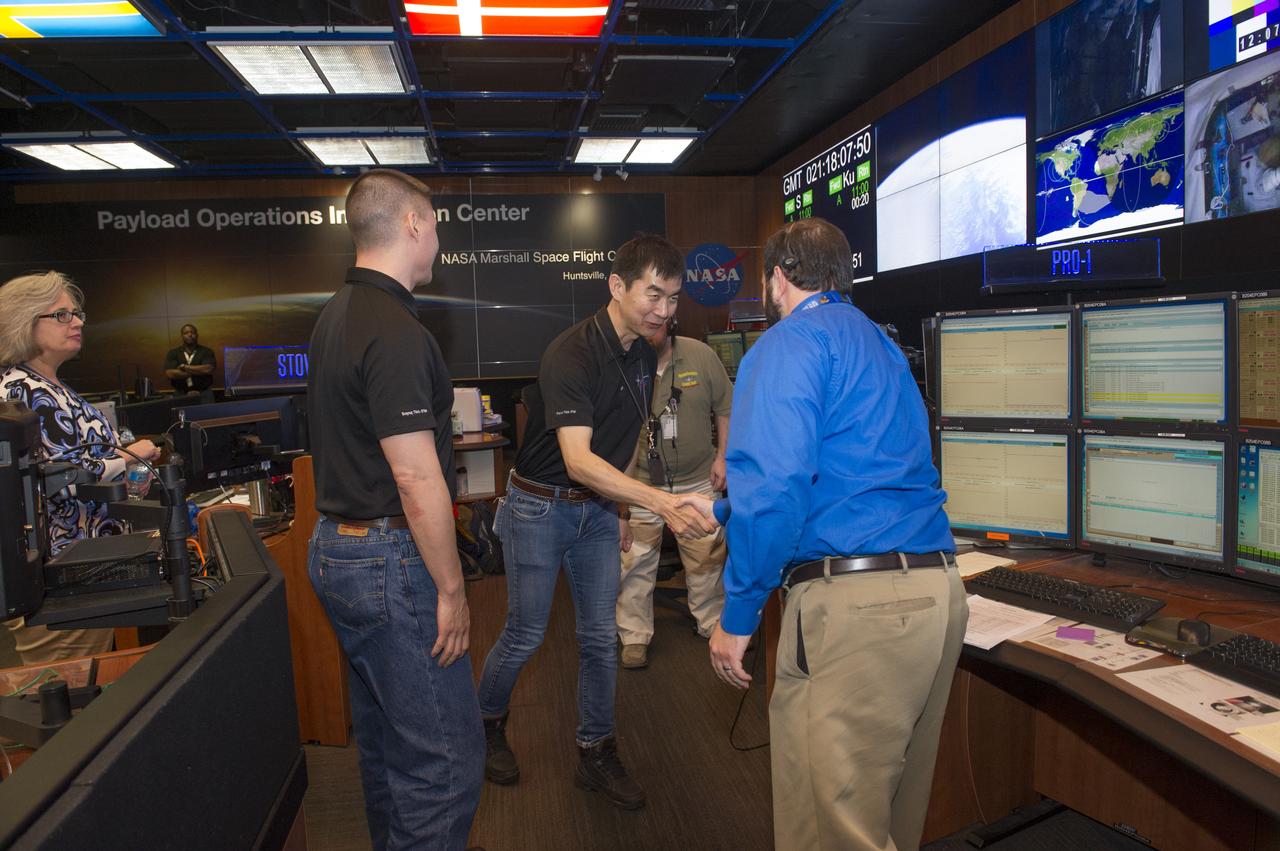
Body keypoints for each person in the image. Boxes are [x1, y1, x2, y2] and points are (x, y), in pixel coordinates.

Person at [705, 218, 968, 851]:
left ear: (777, 278)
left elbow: (774, 489)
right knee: (887, 819)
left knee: (830, 831)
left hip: (856, 610)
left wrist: (738, 614)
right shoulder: (882, 345)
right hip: (936, 596)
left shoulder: (787, 343)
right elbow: (857, 472)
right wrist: (718, 513)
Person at [476, 234, 716, 810]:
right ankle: (482, 724)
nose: (665, 310)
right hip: (538, 507)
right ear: (616, 287)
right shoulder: (571, 353)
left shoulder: (643, 353)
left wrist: (621, 505)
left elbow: (625, 438)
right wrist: (655, 503)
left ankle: (595, 750)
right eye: (653, 295)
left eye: (674, 298)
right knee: (527, 632)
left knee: (598, 640)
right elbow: (579, 459)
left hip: (596, 512)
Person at [306, 169, 482, 851]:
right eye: (435, 223)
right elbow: (415, 476)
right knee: (443, 766)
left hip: (335, 549)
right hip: (387, 561)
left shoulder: (335, 316)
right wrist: (452, 588)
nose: (438, 238)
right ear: (411, 223)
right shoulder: (396, 329)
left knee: (385, 747)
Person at [0, 271, 159, 664]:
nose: (78, 322)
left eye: (77, 314)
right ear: (24, 321)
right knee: (68, 692)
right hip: (61, 575)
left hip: (83, 568)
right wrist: (129, 455)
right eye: (61, 315)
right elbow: (61, 476)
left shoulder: (46, 383)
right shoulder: (23, 390)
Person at [616, 317, 732, 669]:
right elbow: (618, 433)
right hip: (642, 485)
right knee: (633, 562)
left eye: (658, 327)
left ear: (673, 325)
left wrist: (723, 457)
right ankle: (634, 635)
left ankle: (711, 624)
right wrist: (621, 501)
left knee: (707, 560)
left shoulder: (701, 356)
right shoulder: (626, 364)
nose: (650, 334)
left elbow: (726, 408)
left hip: (698, 480)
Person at [163, 323, 216, 394]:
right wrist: (198, 371)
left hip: (204, 392)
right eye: (186, 333)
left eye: (192, 332)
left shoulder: (207, 351)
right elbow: (170, 374)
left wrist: (184, 367)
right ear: (182, 336)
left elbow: (208, 369)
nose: (190, 335)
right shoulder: (173, 353)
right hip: (180, 393)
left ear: (197, 335)